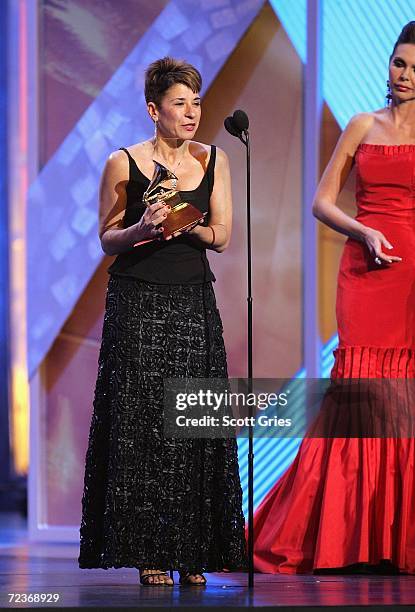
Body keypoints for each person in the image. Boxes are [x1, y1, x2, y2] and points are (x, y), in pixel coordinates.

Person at [252, 21, 415, 575]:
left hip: (414, 275)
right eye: (399, 64)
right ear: (388, 65)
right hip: (367, 271)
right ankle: (345, 537)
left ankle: (399, 535)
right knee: (363, 397)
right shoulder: (363, 124)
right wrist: (363, 231)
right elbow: (322, 202)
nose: (406, 76)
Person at [78, 57, 247, 586]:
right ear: (154, 110)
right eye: (180, 103)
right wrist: (144, 228)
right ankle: (150, 547)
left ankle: (194, 549)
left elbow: (221, 236)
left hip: (194, 301)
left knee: (194, 421)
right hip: (138, 300)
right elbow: (107, 238)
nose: (192, 112)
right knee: (144, 425)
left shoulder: (214, 159)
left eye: (196, 102)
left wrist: (186, 222)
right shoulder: (123, 161)